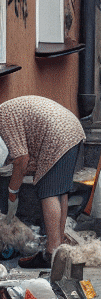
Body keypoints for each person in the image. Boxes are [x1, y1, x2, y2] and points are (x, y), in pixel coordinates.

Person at [0, 96, 85, 269]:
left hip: (57, 134)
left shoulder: (2, 117)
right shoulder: (5, 113)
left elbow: (21, 159)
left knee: (48, 192)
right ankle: (58, 248)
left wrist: (13, 191)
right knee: (60, 191)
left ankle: (51, 253)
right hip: (70, 128)